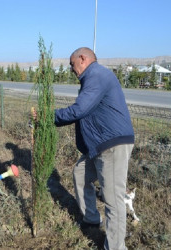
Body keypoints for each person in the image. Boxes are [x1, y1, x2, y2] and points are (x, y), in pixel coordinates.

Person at [54, 47, 134, 250]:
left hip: (112, 144)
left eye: (72, 64)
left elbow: (80, 109)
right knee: (80, 174)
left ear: (83, 58)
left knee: (113, 199)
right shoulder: (92, 77)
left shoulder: (97, 75)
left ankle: (115, 247)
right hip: (99, 145)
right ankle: (91, 219)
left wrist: (49, 116)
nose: (71, 69)